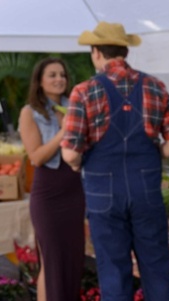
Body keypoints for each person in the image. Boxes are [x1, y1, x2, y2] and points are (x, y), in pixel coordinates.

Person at [60, 21, 169, 301]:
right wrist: (151, 155)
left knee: (114, 271)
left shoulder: (83, 91)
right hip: (146, 189)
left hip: (103, 192)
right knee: (156, 267)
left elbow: (69, 153)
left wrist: (80, 163)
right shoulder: (155, 86)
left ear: (96, 52)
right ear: (125, 51)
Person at [18, 57, 85, 301]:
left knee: (72, 258)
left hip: (75, 190)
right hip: (49, 193)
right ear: (40, 81)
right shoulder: (30, 112)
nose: (59, 79)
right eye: (52, 75)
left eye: (62, 75)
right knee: (53, 260)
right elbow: (36, 157)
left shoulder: (74, 106)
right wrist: (64, 132)